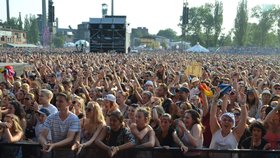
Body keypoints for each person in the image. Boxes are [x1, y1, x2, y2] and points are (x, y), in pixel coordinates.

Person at [39, 93, 81, 158]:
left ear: (68, 103)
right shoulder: (51, 117)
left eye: (61, 101)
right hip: (55, 153)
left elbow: (70, 138)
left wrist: (54, 145)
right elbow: (42, 135)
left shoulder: (74, 119)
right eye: (57, 101)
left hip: (69, 154)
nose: (58, 103)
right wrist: (44, 144)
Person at [209, 91, 248, 158]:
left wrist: (243, 104)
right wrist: (215, 101)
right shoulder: (215, 130)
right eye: (224, 120)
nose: (226, 122)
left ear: (233, 124)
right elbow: (212, 115)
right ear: (220, 122)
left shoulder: (236, 134)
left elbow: (243, 119)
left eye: (230, 120)